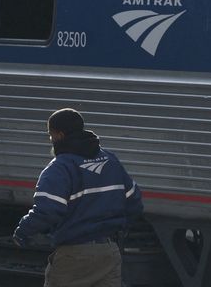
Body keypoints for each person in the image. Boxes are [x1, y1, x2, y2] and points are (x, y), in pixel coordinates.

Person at [14, 108, 143, 287]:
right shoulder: (110, 160)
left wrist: (23, 231)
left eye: (50, 135)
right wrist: (118, 229)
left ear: (59, 135)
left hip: (74, 254)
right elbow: (134, 200)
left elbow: (47, 211)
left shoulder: (60, 168)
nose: (51, 140)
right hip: (109, 251)